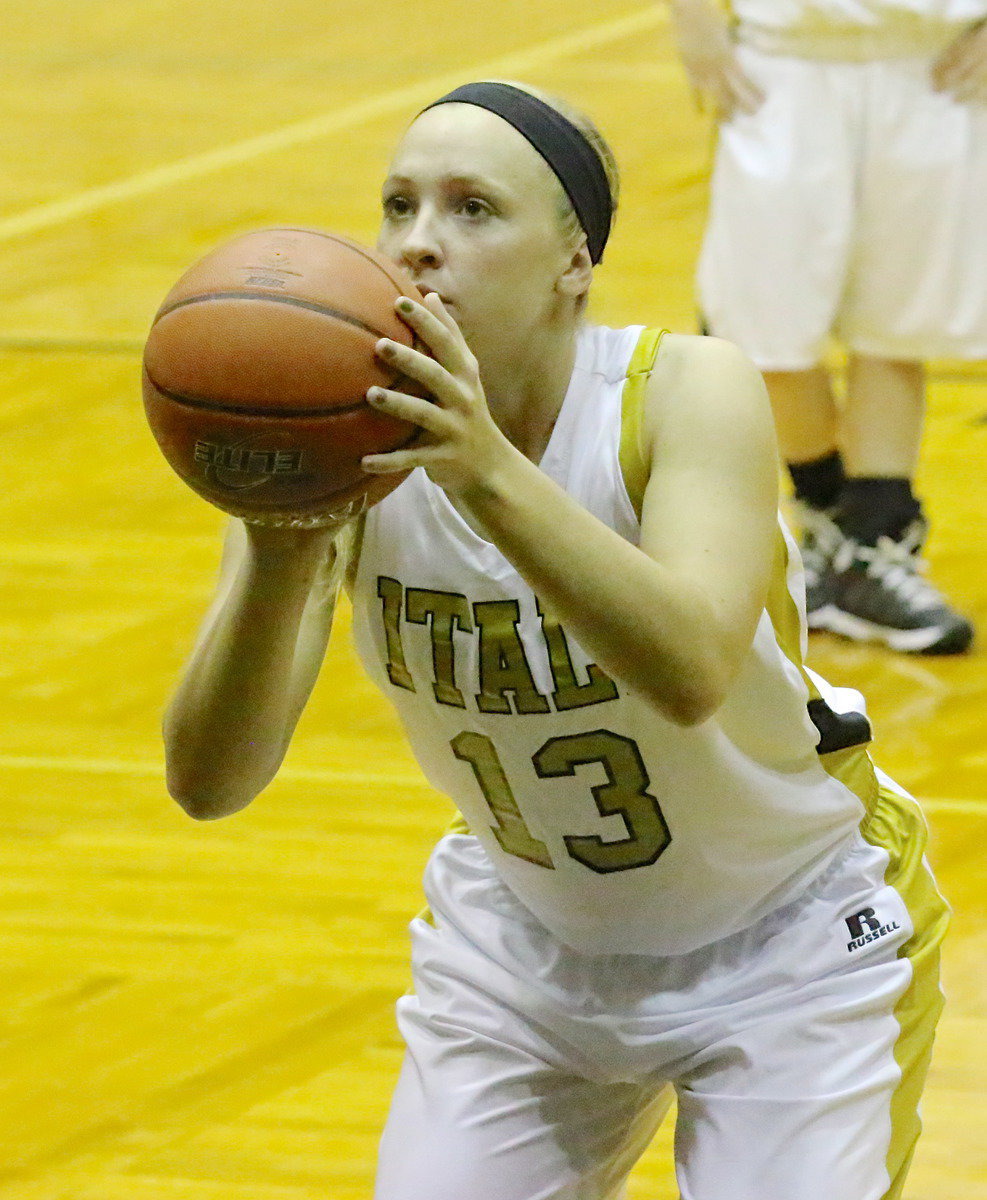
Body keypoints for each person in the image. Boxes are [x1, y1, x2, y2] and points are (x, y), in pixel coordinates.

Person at [164, 82, 950, 1200]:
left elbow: (687, 672)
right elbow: (209, 781)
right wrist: (283, 551)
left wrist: (484, 473)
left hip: (792, 942)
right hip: (527, 956)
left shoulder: (680, 393)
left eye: (474, 208)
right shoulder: (343, 441)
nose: (420, 244)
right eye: (399, 206)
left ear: (573, 259)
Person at [669, 0, 986, 653]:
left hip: (936, 63)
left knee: (899, 327)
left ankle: (871, 549)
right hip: (781, 65)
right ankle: (832, 522)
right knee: (762, 332)